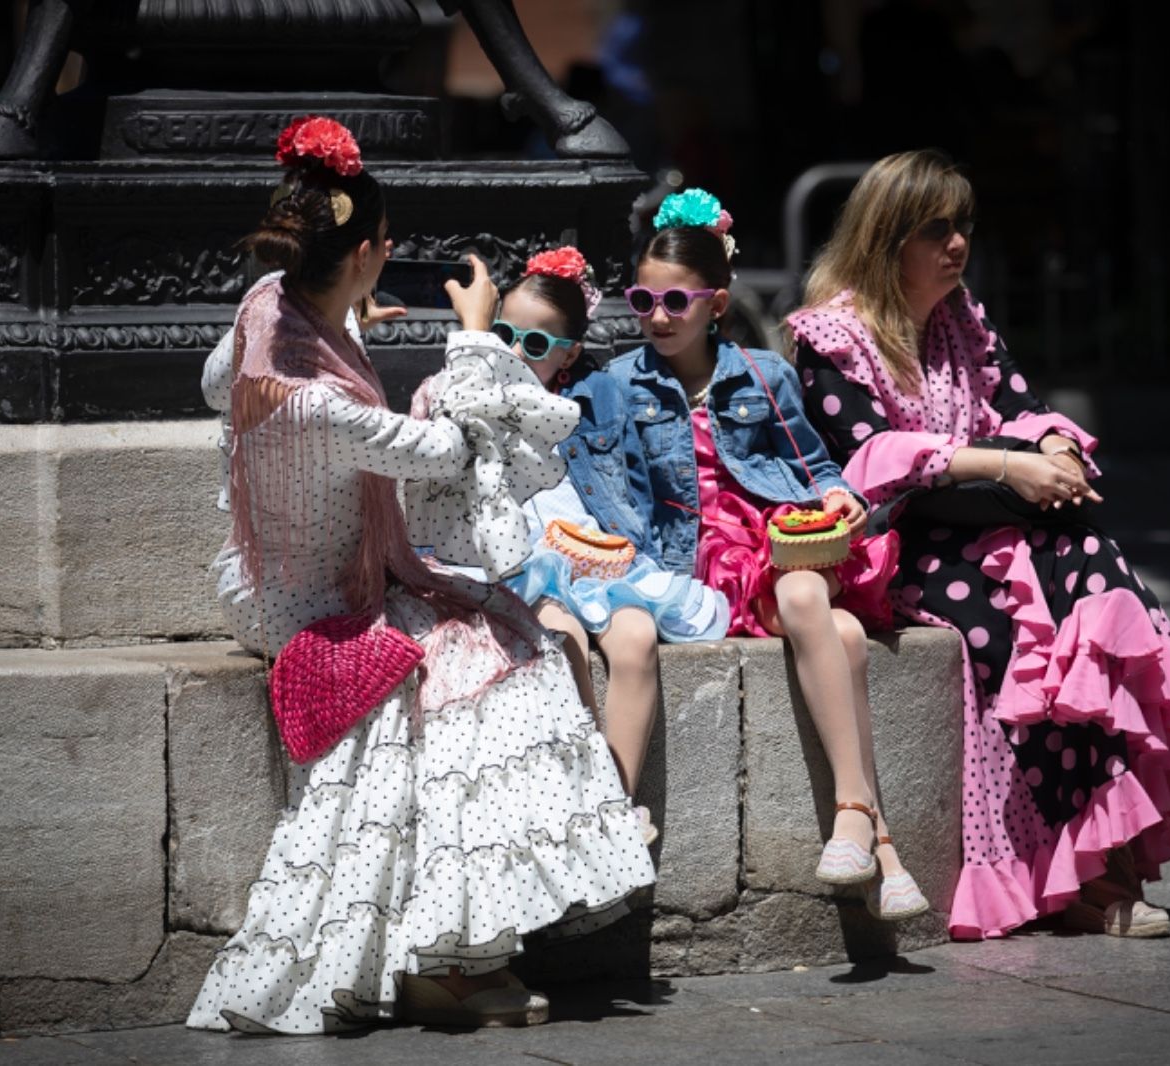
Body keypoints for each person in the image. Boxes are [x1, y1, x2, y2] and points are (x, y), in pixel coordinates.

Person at [187, 117, 654, 1034]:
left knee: (499, 635)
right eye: (385, 245)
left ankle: (461, 944)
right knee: (499, 669)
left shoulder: (270, 305)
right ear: (365, 252)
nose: (391, 253)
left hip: (270, 570)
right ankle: (452, 948)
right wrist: (477, 339)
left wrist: (350, 324)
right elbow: (446, 450)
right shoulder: (320, 402)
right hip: (319, 603)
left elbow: (214, 384)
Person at [787, 149, 1170, 941]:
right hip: (904, 546)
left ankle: (1117, 852)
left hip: (988, 526)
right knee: (1013, 640)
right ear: (886, 236)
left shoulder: (962, 318)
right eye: (935, 229)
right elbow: (871, 456)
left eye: (962, 225)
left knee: (1081, 590)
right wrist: (1007, 462)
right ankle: (1117, 843)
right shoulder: (829, 336)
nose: (957, 244)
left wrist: (1058, 451)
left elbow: (1024, 405)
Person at [593, 188, 927, 921]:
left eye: (676, 301)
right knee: (840, 635)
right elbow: (611, 492)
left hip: (773, 542)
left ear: (716, 304)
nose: (656, 315)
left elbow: (815, 465)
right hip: (691, 561)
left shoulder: (764, 374)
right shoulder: (618, 385)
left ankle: (851, 819)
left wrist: (841, 498)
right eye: (642, 297)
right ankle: (879, 837)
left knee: (811, 598)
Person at [409, 245, 728, 844]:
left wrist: (644, 558)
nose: (513, 353)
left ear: (569, 356)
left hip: (595, 555)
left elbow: (634, 489)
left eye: (535, 346)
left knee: (635, 640)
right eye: (503, 335)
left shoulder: (593, 398)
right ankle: (591, 790)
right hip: (523, 562)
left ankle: (621, 796)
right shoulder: (472, 394)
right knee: (563, 636)